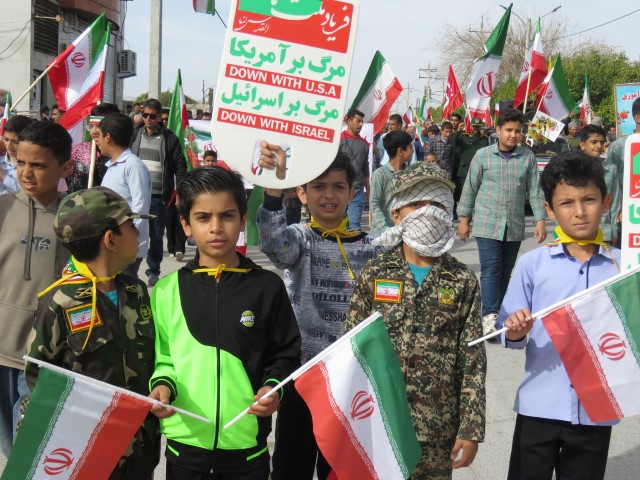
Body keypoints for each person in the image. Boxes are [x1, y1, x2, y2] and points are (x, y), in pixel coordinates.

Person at [148, 166, 301, 480]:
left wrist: (273, 388)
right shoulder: (166, 290)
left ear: (243, 220)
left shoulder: (266, 287)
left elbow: (284, 354)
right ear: (185, 224)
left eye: (227, 216)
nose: (216, 228)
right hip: (184, 450)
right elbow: (163, 359)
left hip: (248, 450)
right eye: (203, 217)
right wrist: (162, 387)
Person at [347, 162, 486, 480]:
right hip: (380, 424)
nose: (428, 213)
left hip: (437, 430)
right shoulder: (375, 272)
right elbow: (352, 348)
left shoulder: (462, 280)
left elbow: (472, 360)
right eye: (417, 203)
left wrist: (471, 426)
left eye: (437, 204)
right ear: (396, 214)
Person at [256, 146, 382, 480]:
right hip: (302, 375)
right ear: (302, 193)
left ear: (352, 193)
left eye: (338, 186)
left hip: (350, 378)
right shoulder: (299, 239)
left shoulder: (374, 248)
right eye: (319, 186)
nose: (329, 195)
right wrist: (273, 190)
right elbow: (272, 242)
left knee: (338, 467)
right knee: (291, 464)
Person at [498, 152, 619, 480]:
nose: (580, 211)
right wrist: (515, 330)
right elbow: (506, 331)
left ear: (606, 202)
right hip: (539, 404)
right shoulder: (533, 264)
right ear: (550, 210)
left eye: (589, 199)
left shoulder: (624, 267)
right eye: (566, 203)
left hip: (596, 409)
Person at [25, 187, 159, 479]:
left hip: (140, 446)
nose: (137, 233)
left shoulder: (136, 290)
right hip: (89, 450)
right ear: (110, 239)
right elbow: (39, 376)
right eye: (131, 226)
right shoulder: (60, 302)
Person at [0, 121, 72, 456]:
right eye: (21, 163)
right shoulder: (3, 209)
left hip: (45, 354)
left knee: (30, 451)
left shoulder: (75, 218)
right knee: (9, 449)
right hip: (1, 346)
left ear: (65, 168)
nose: (27, 173)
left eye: (39, 165)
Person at [458, 108, 547, 337]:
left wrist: (540, 220)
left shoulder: (527, 157)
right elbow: (470, 188)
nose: (513, 135)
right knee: (491, 269)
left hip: (514, 225)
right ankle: (489, 315)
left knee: (506, 272)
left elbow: (534, 191)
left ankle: (500, 312)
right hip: (487, 223)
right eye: (508, 130)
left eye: (518, 131)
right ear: (498, 130)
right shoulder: (483, 156)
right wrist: (464, 220)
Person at [130, 98, 187, 286]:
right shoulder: (133, 135)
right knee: (132, 233)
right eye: (145, 115)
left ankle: (153, 271)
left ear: (159, 117)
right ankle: (130, 272)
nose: (148, 119)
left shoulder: (169, 139)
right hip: (135, 195)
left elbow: (180, 166)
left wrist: (180, 191)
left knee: (155, 237)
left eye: (152, 116)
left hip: (158, 197)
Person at [97, 113, 152, 277]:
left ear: (108, 137)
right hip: (112, 243)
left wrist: (128, 238)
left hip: (125, 246)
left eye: (99, 135)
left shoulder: (133, 166)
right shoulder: (112, 166)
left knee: (125, 288)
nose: (97, 140)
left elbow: (140, 208)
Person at [579, 124, 621, 245]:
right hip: (578, 232)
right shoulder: (571, 169)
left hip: (604, 232)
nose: (599, 146)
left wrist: (613, 231)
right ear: (582, 145)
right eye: (594, 142)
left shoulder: (610, 169)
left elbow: (614, 203)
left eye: (602, 142)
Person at [67, 103, 120, 193]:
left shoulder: (123, 157)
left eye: (99, 126)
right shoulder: (76, 152)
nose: (94, 131)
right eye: (91, 126)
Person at [369, 130, 413, 237]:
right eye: (410, 147)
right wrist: (385, 230)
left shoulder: (411, 173)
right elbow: (374, 204)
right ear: (400, 151)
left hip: (406, 232)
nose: (412, 151)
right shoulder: (380, 174)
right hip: (384, 234)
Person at [339, 108, 370, 230]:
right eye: (358, 121)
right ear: (349, 121)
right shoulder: (339, 141)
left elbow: (365, 166)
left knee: (354, 226)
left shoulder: (364, 144)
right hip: (339, 189)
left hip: (357, 190)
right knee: (337, 224)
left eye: (362, 122)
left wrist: (368, 188)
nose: (361, 124)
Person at [453, 117, 488, 219]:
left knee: (477, 193)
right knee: (460, 192)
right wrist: (458, 131)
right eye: (474, 126)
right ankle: (456, 212)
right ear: (471, 126)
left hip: (478, 170)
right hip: (464, 169)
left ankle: (474, 214)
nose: (476, 128)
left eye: (478, 127)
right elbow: (453, 141)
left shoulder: (484, 139)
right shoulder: (463, 137)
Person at [1, 115, 33, 195]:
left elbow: (25, 192)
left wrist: (3, 176)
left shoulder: (32, 167)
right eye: (6, 139)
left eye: (15, 142)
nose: (9, 146)